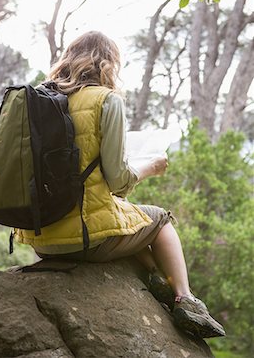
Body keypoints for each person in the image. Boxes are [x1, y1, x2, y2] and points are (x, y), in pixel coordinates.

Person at [14, 31, 225, 339]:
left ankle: (156, 278)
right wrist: (150, 167)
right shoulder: (106, 101)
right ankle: (185, 299)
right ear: (108, 63)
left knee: (127, 218)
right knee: (160, 220)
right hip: (84, 241)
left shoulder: (39, 100)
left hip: (40, 239)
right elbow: (117, 181)